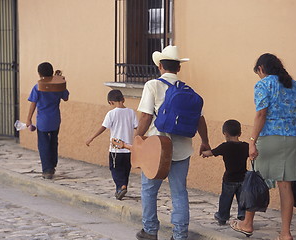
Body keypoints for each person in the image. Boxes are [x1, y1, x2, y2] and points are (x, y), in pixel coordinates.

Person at [135, 45, 211, 240]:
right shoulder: (188, 90)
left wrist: (137, 139)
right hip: (182, 148)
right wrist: (205, 142)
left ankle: (150, 230)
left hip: (157, 147)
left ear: (160, 65)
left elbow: (145, 116)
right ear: (179, 68)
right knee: (179, 192)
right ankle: (179, 235)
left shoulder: (152, 85)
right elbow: (199, 119)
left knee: (149, 190)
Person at [230, 53, 296, 240]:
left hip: (269, 138)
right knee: (285, 186)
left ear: (261, 68)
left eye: (258, 72)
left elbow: (261, 115)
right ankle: (286, 234)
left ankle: (247, 223)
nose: (259, 76)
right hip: (291, 141)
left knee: (255, 179)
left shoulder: (264, 84)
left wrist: (251, 140)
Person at [86, 89, 138, 200]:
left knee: (115, 169)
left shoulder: (111, 113)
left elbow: (103, 127)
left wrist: (92, 137)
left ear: (111, 102)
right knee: (125, 169)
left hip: (116, 149)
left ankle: (121, 186)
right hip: (128, 148)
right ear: (123, 99)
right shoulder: (131, 112)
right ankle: (121, 188)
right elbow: (137, 127)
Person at [26, 62, 69, 179]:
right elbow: (65, 98)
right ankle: (53, 165)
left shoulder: (38, 87)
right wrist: (62, 82)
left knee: (43, 144)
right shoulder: (58, 86)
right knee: (53, 142)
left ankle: (47, 170)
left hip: (42, 121)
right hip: (55, 119)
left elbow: (33, 104)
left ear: (39, 74)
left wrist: (28, 119)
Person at [201, 119, 248, 225]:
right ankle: (242, 215)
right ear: (240, 133)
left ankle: (222, 216)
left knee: (226, 199)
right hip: (243, 178)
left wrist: (204, 153)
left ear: (225, 133)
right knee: (243, 198)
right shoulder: (245, 146)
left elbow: (211, 153)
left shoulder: (225, 146)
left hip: (229, 179)